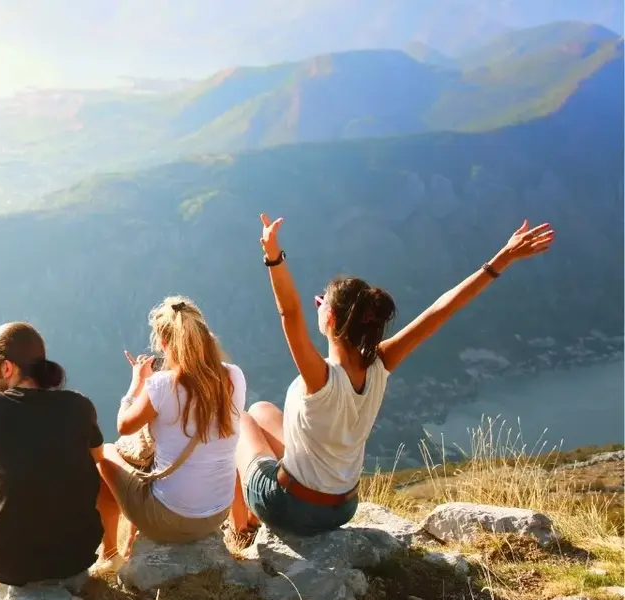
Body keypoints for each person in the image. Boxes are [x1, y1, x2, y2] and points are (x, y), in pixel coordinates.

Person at [227, 214, 555, 548]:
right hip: (342, 507)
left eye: (320, 302)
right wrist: (503, 258)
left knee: (240, 418)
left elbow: (290, 313)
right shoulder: (380, 363)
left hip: (293, 509)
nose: (316, 306)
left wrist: (273, 256)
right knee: (262, 409)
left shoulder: (321, 377)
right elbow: (440, 311)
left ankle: (241, 531)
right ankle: (253, 518)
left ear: (331, 317)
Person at [0, 322, 103, 591]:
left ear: (7, 367)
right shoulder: (79, 406)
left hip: (10, 564)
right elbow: (97, 458)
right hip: (77, 557)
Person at [96, 296, 246, 566]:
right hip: (216, 514)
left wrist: (137, 383)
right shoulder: (234, 376)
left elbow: (124, 425)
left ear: (164, 344)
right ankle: (240, 527)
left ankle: (109, 555)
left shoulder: (162, 386)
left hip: (171, 519)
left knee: (105, 453)